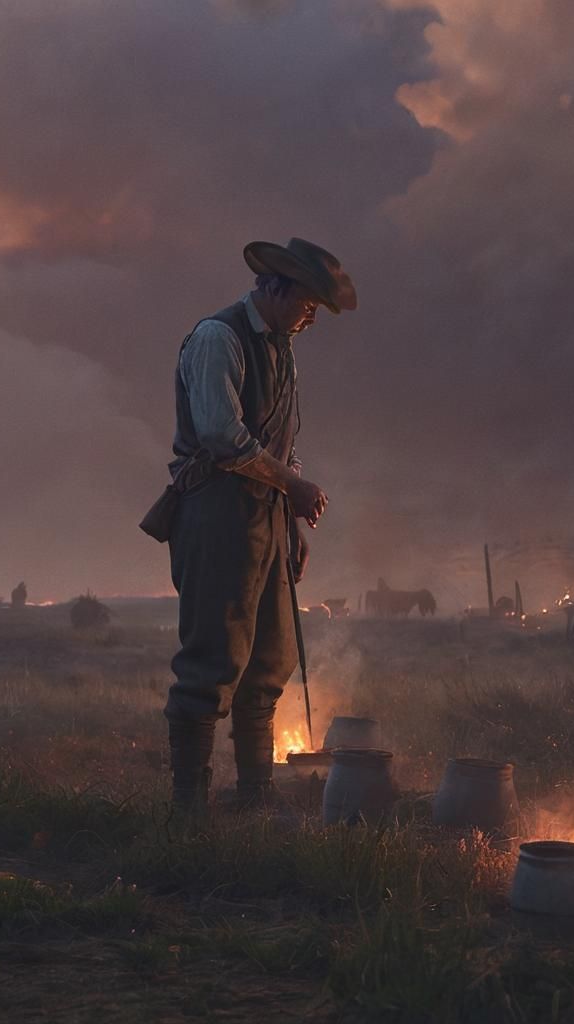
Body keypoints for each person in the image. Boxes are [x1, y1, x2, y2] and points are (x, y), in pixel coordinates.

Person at [163, 237, 356, 813]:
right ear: (275, 287)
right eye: (307, 303)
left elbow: (282, 441)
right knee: (211, 663)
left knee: (269, 661)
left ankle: (255, 797)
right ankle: (188, 811)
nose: (311, 317)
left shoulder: (283, 349)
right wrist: (293, 488)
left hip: (264, 518)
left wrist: (290, 524)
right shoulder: (218, 338)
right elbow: (223, 437)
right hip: (215, 515)